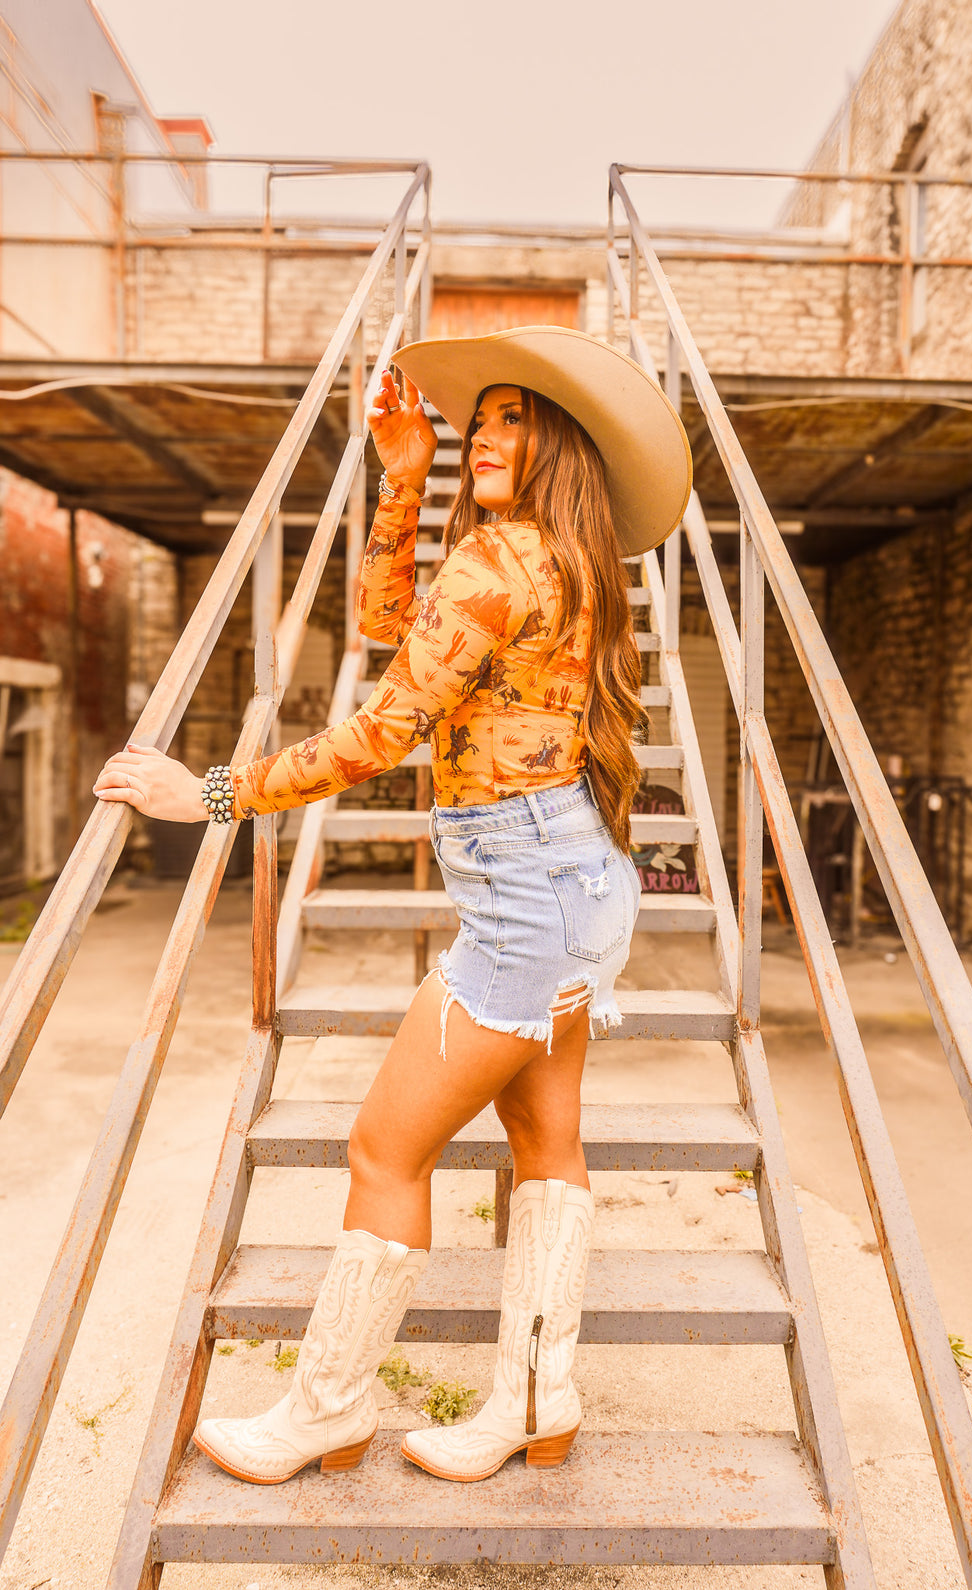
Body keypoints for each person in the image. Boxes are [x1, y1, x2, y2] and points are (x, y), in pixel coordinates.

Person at [94, 325, 692, 1486]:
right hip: (570, 877)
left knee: (384, 1146)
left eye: (519, 418)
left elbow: (380, 730)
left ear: (562, 444)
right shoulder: (565, 559)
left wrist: (205, 793)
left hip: (524, 895)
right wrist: (406, 476)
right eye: (488, 416)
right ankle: (535, 1399)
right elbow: (392, 634)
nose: (490, 433)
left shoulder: (497, 561)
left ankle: (326, 1409)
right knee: (544, 1140)